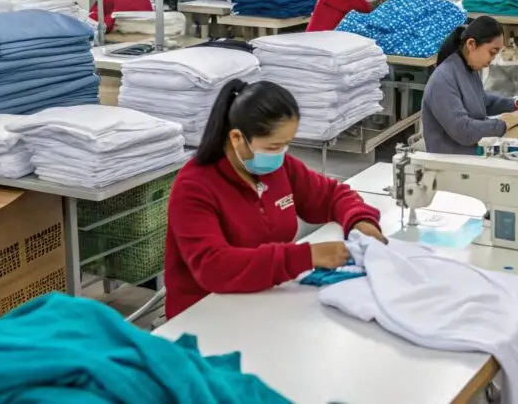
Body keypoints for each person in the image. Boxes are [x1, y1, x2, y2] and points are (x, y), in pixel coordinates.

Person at [164, 80, 385, 318]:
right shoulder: (194, 187)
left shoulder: (279, 169)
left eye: (286, 145)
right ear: (237, 137)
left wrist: (360, 221)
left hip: (263, 301)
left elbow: (332, 195)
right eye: (274, 146)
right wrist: (305, 256)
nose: (281, 154)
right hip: (203, 316)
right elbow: (213, 267)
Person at [422, 17, 518, 155]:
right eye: (492, 52)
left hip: (472, 154)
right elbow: (464, 131)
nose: (492, 60)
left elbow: (482, 101)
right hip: (451, 164)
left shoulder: (468, 68)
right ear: (471, 44)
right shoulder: (443, 79)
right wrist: (510, 121)